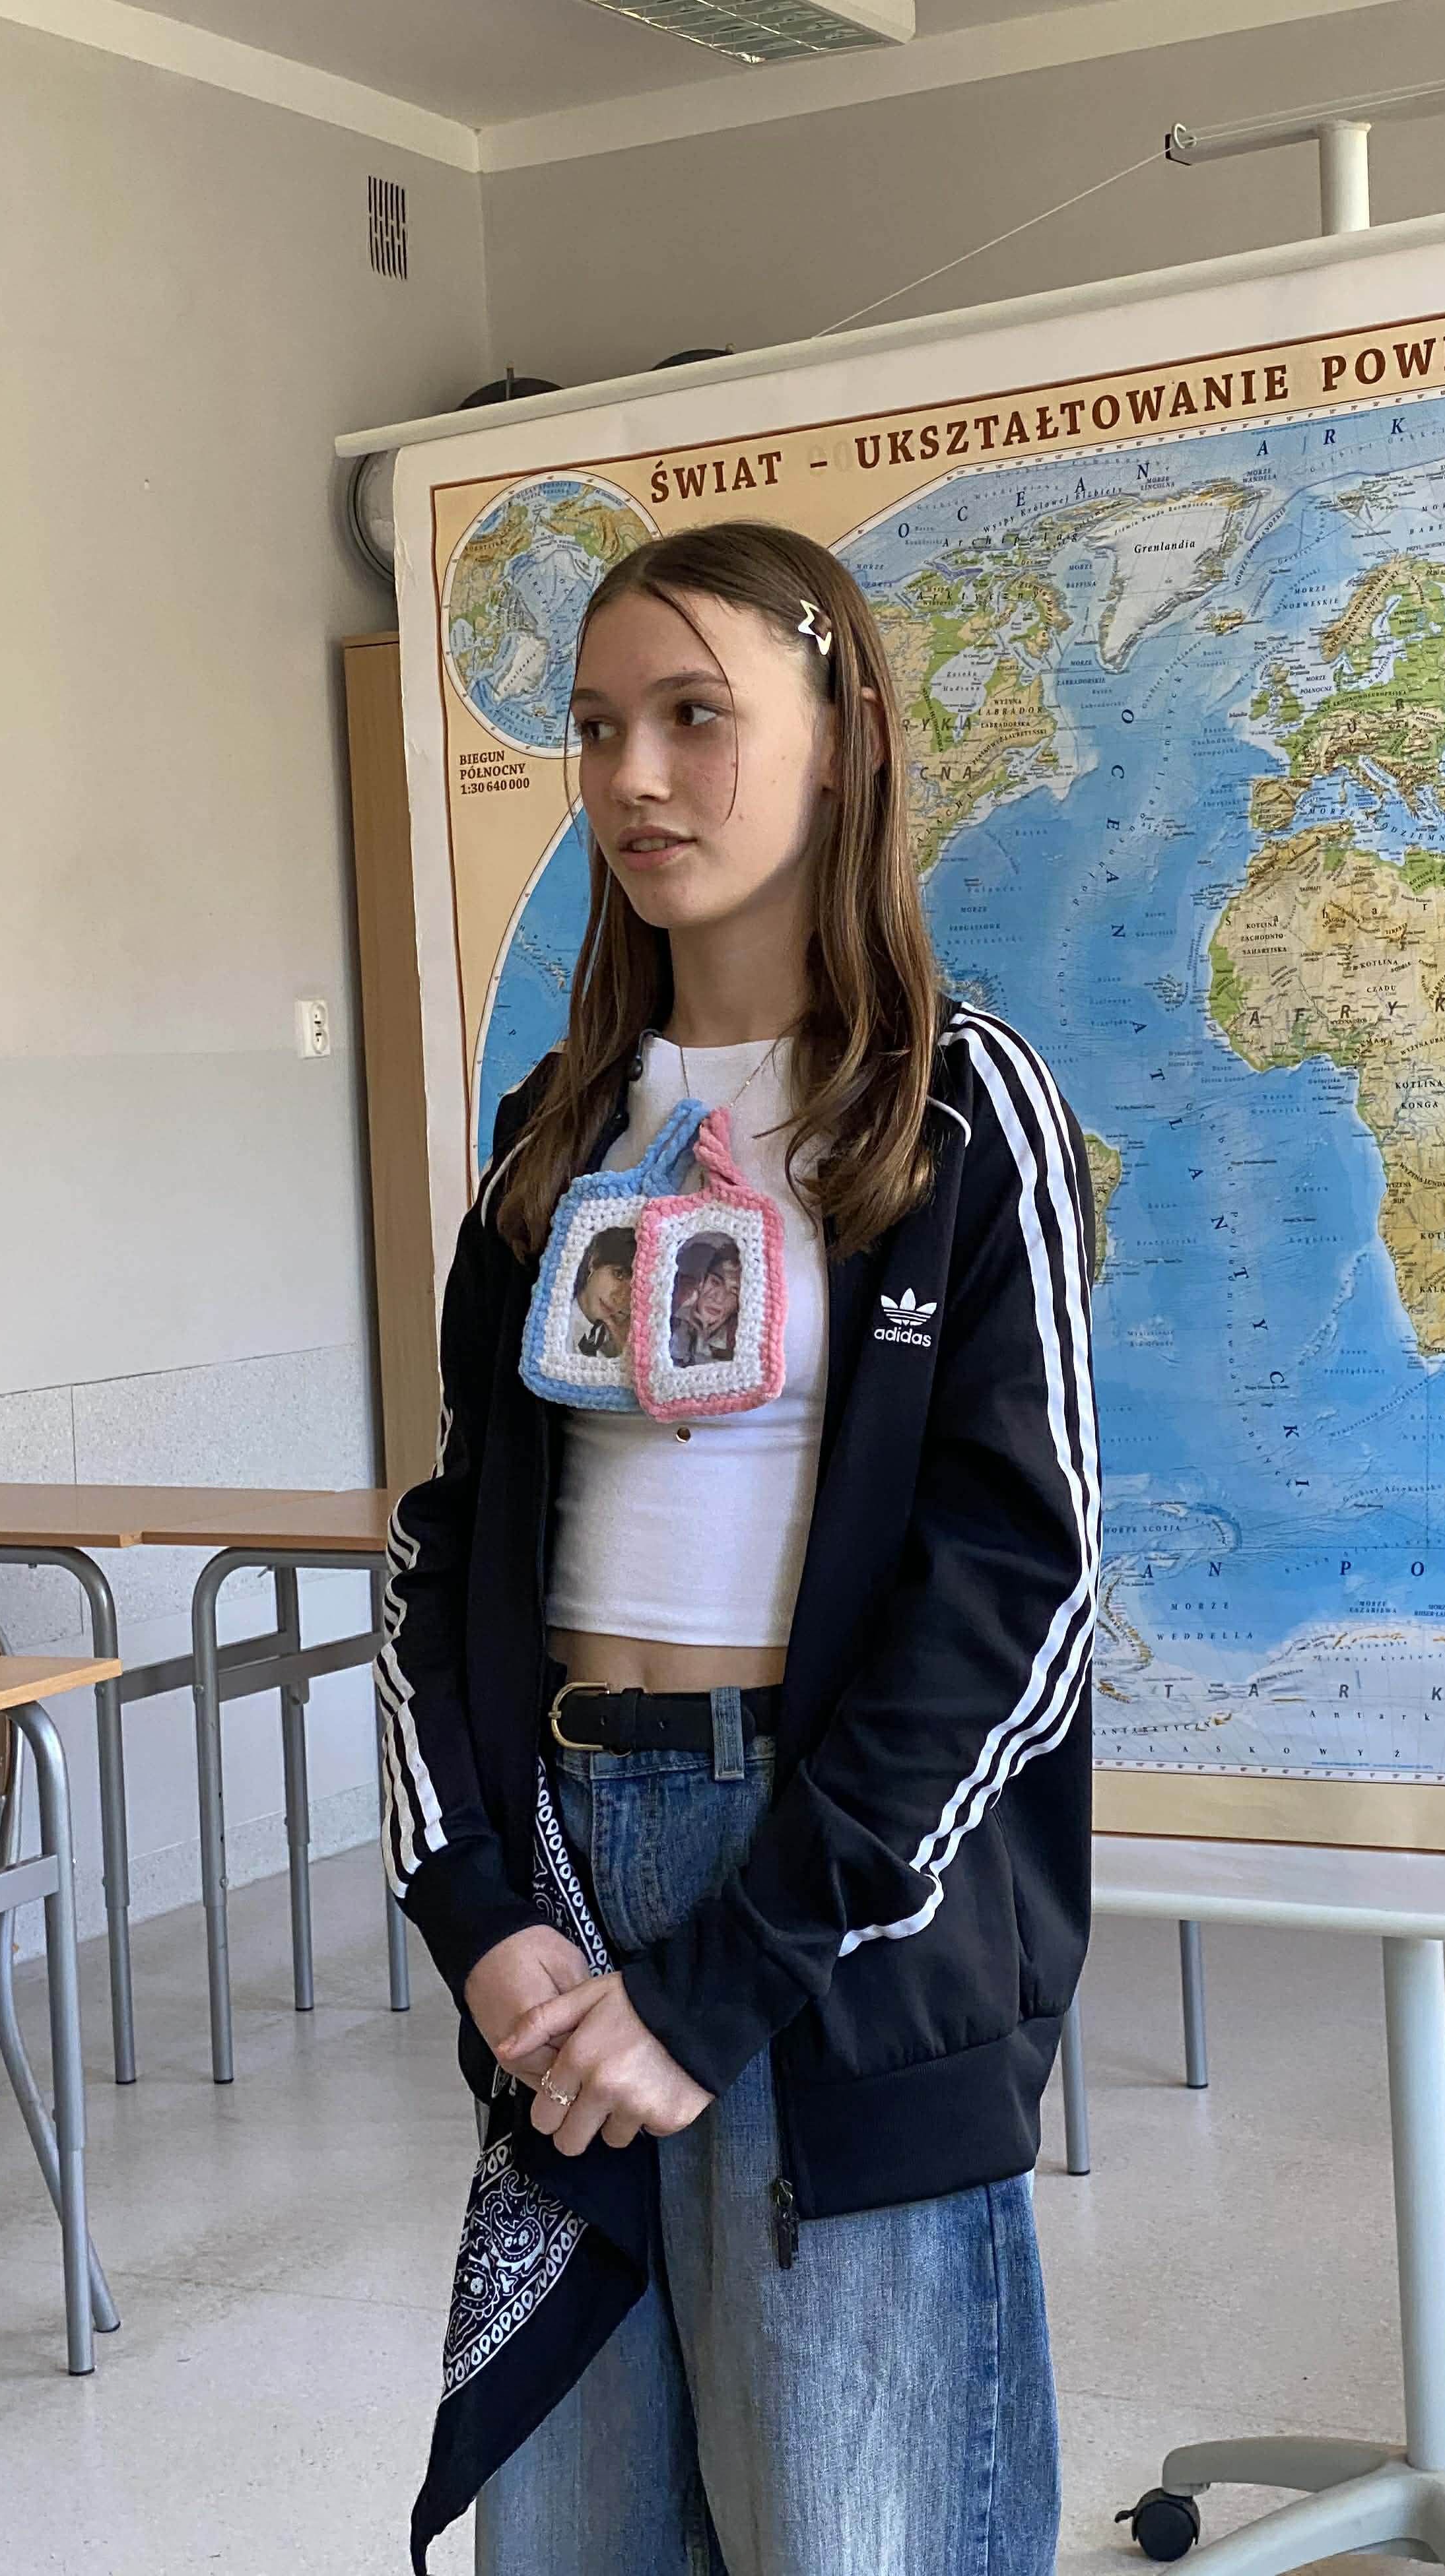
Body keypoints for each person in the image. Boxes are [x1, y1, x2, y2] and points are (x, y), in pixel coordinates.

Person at [379, 520, 1100, 2576]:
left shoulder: (958, 1115)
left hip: (836, 1901)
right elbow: (450, 1550)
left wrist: (734, 1974)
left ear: (844, 736)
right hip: (569, 1882)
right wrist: (477, 1907)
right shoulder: (556, 1131)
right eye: (600, 726)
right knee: (579, 2529)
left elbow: (1019, 1596)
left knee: (855, 2528)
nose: (633, 777)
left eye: (698, 716)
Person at [669, 1236, 741, 1367]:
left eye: (733, 1292)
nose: (718, 1298)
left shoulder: (738, 1341)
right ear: (702, 1282)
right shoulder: (673, 1320)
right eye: (715, 1282)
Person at [572, 1224, 635, 1358]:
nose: (619, 1298)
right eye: (618, 1275)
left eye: (633, 1291)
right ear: (594, 1261)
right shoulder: (557, 1325)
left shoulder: (619, 1344)